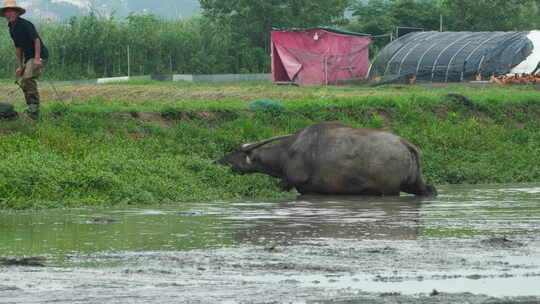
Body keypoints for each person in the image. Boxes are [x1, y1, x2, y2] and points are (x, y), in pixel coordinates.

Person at [1, 0, 49, 119]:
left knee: (28, 78)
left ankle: (34, 108)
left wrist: (37, 59)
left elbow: (36, 40)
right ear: (5, 15)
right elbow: (18, 48)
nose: (9, 14)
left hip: (39, 55)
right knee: (22, 81)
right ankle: (31, 106)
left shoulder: (25, 24)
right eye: (7, 12)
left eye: (11, 11)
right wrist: (20, 66)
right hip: (28, 58)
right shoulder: (11, 28)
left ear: (17, 13)